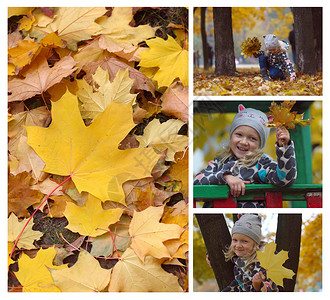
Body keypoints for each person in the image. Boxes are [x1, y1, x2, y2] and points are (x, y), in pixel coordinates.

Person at [193, 104, 297, 208]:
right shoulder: (219, 162)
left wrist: (284, 147)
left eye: (252, 138)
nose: (243, 142)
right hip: (217, 214)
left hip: (248, 216)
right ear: (231, 136)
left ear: (260, 144)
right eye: (239, 135)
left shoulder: (263, 164)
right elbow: (196, 181)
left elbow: (285, 178)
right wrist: (225, 177)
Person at [220, 214, 279, 292]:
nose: (238, 245)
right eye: (235, 240)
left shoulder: (262, 263)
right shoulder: (238, 259)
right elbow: (239, 284)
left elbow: (270, 289)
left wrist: (257, 285)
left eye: (244, 241)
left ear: (255, 244)